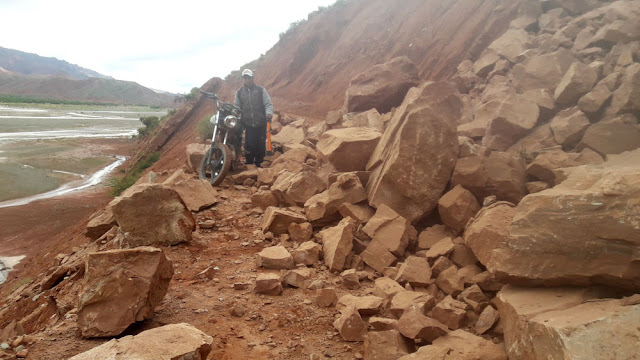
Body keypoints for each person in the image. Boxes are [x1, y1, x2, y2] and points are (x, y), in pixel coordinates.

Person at [234, 69, 273, 167]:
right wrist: (235, 113)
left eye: (249, 77)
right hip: (248, 124)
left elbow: (268, 104)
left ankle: (259, 164)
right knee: (249, 144)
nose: (247, 80)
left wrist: (269, 114)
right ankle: (249, 164)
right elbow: (237, 106)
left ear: (252, 78)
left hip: (261, 122)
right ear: (243, 79)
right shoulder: (239, 92)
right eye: (245, 78)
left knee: (260, 144)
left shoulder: (260, 90)